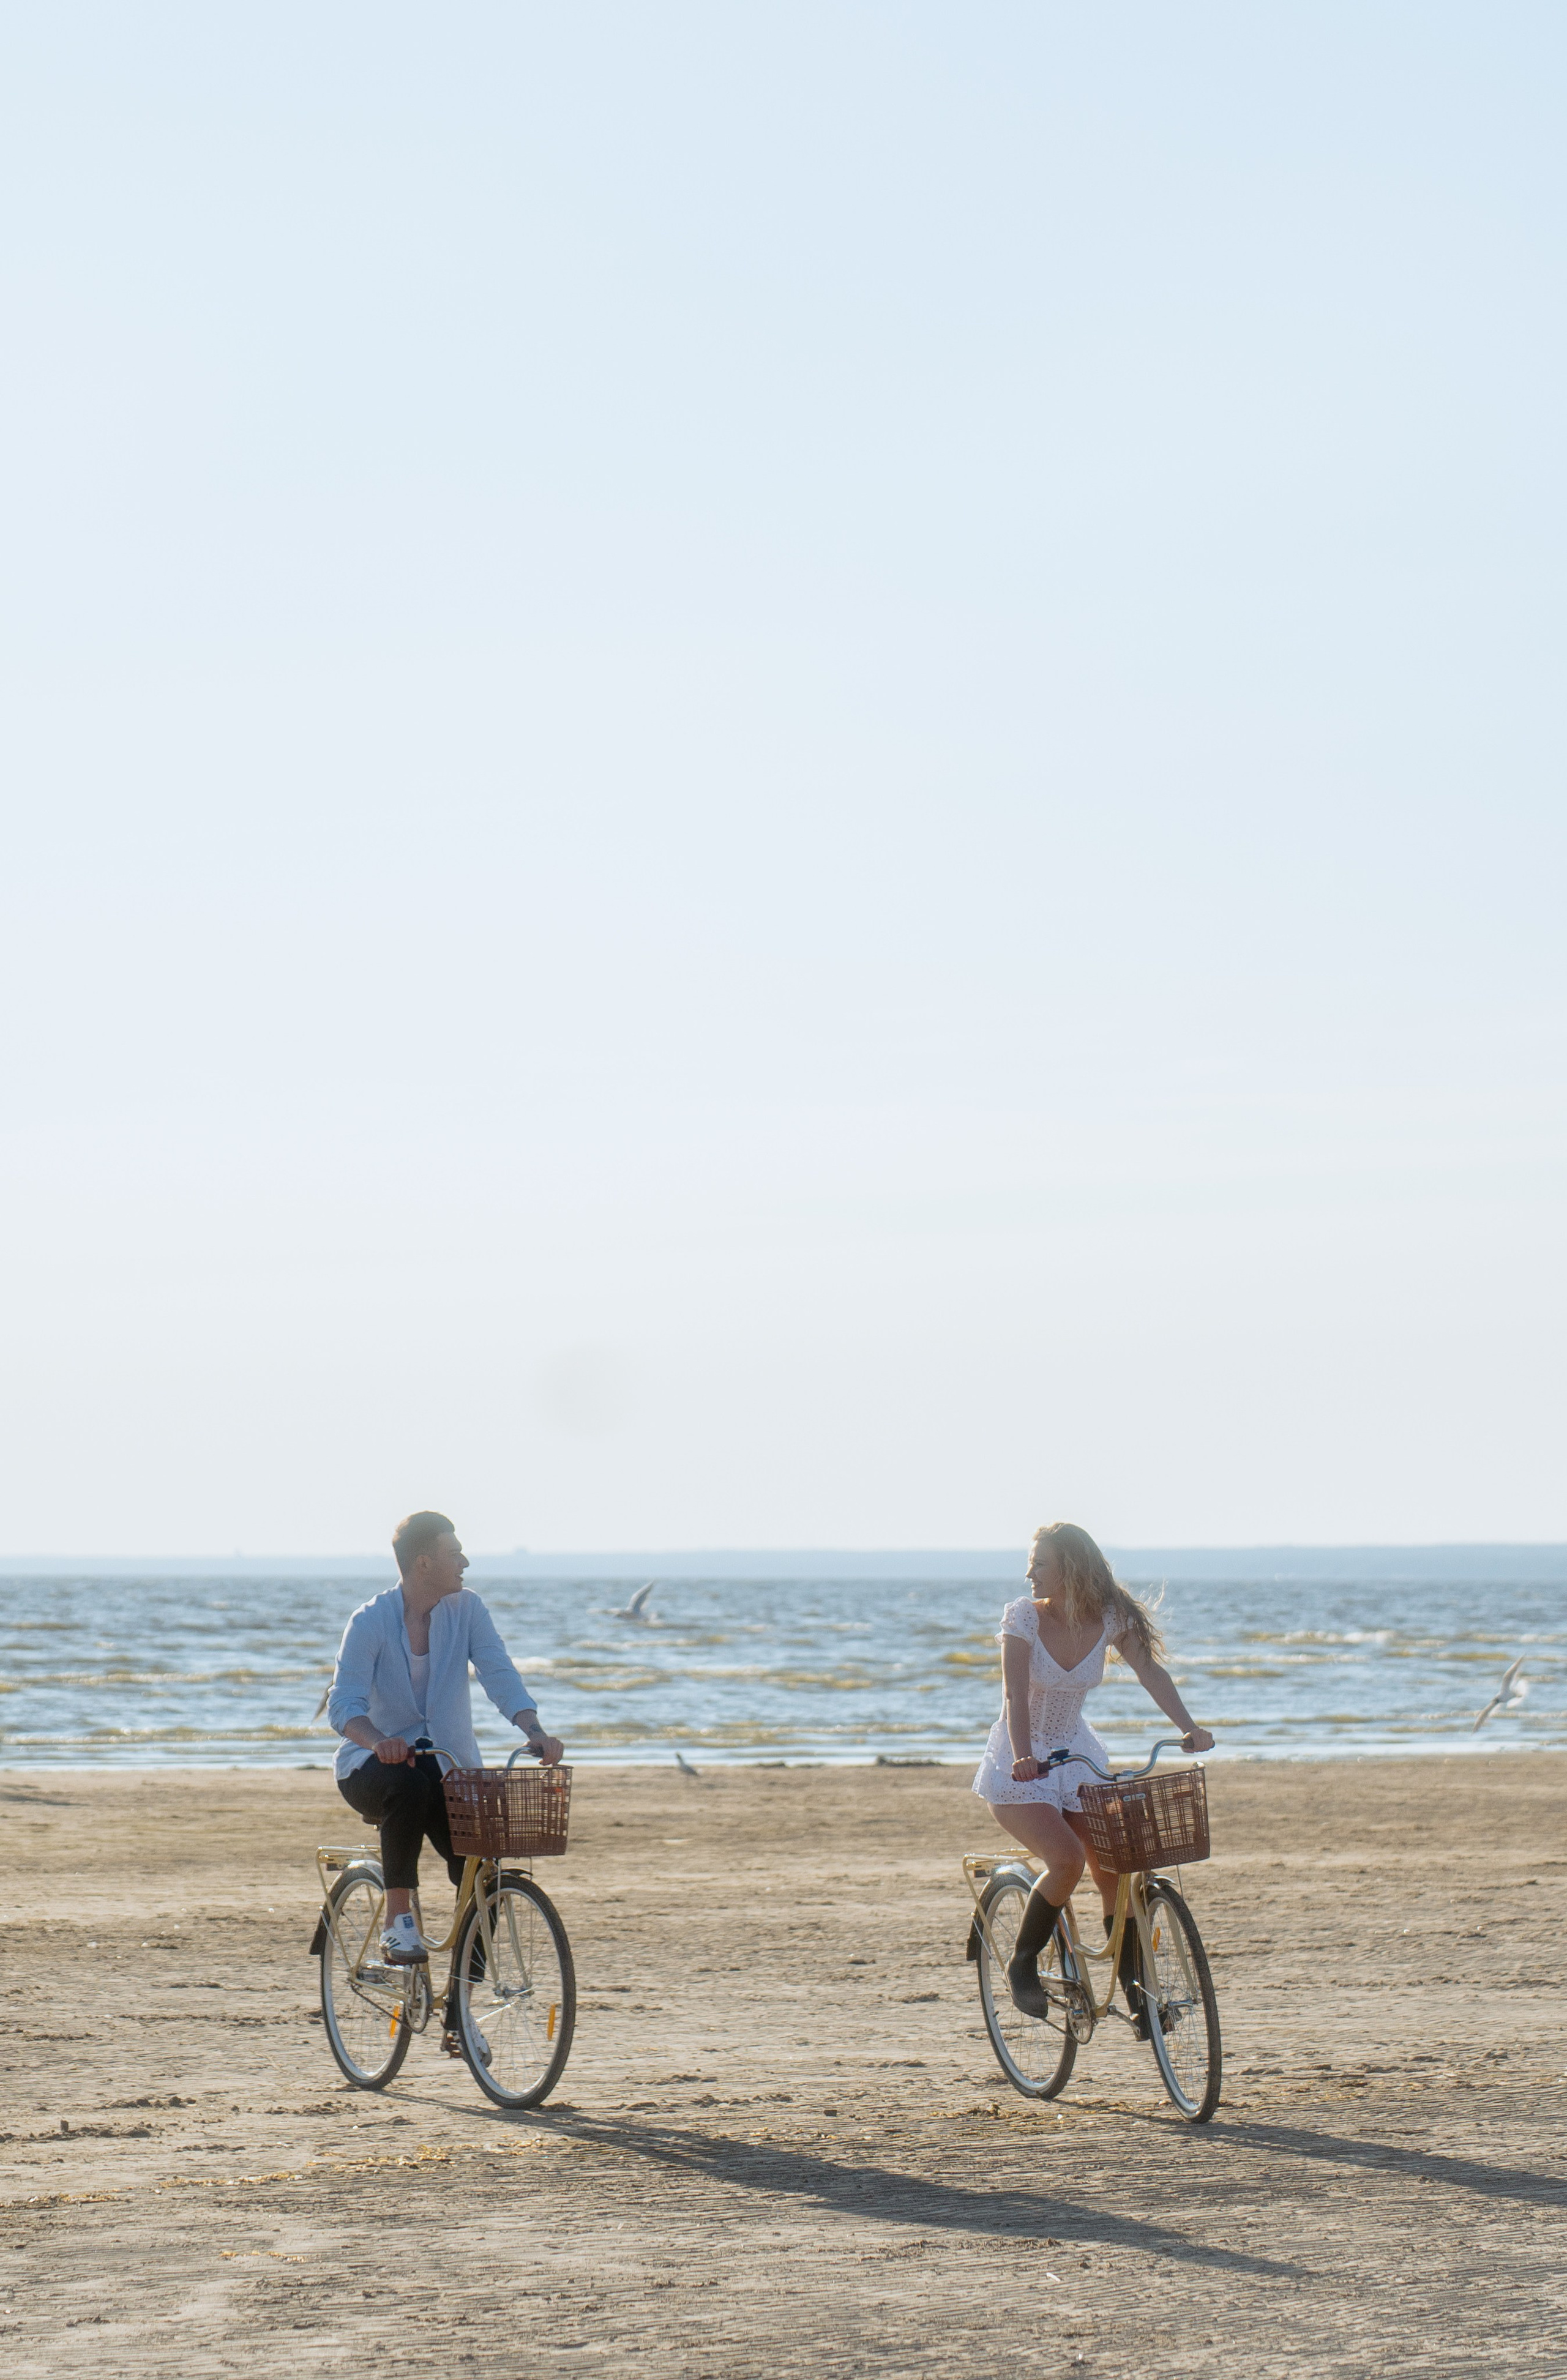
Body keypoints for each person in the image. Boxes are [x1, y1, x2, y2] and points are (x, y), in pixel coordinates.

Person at [971, 1521, 1213, 2027]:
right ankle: (1022, 1965)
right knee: (1066, 1860)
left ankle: (1135, 1992)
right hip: (1020, 1763)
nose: (1029, 1573)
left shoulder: (1110, 1618)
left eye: (1040, 1563)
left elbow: (1151, 1672)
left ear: (1071, 1570)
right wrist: (1022, 1755)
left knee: (1116, 1868)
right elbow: (1015, 1695)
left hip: (1077, 1754)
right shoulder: (1023, 1619)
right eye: (1032, 1562)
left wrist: (1189, 1727)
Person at [328, 1511, 564, 1968]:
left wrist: (534, 1731)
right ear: (423, 1564)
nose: (465, 1561)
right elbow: (344, 1707)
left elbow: (499, 1673)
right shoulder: (370, 1621)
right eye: (454, 1553)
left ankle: (462, 2014)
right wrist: (379, 1742)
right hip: (369, 1768)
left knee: (482, 1874)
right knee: (407, 1780)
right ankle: (398, 1923)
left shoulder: (468, 1609)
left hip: (451, 1770)